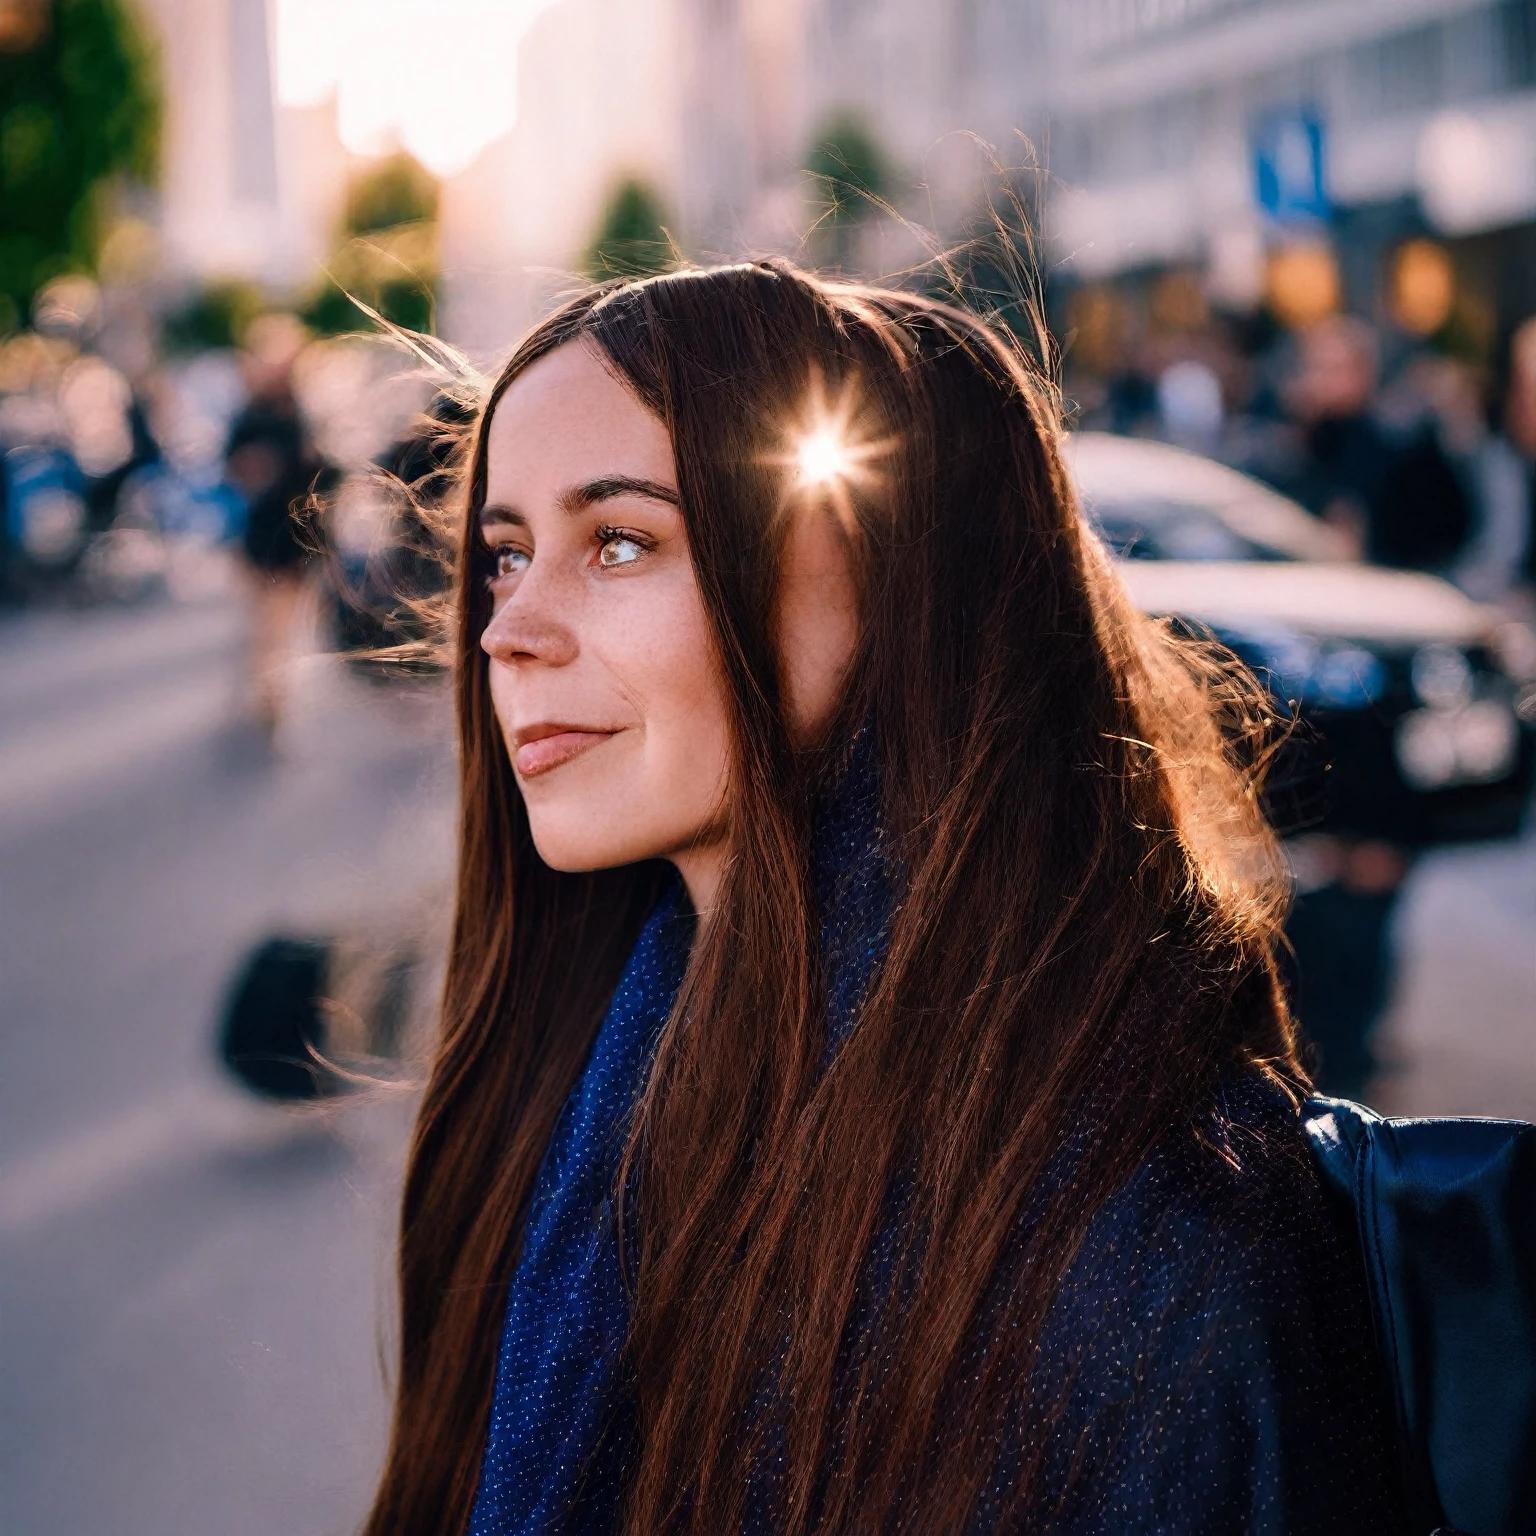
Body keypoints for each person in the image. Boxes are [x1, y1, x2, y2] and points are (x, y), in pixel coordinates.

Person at [365, 262, 1407, 1535]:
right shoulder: (581, 1097)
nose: (505, 630)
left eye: (622, 540)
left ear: (895, 577)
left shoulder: (1150, 1238)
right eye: (507, 554)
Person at [225, 313, 335, 737]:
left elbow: (320, 470)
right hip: (260, 531)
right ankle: (265, 690)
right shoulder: (252, 414)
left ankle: (274, 696)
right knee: (263, 621)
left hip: (293, 533)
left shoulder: (303, 409)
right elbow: (232, 465)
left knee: (282, 623)